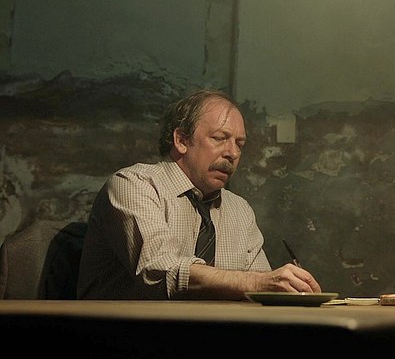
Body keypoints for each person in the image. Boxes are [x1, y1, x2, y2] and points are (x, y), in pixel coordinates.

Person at [77, 89, 321, 299]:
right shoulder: (135, 185)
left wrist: (289, 290)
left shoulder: (239, 210)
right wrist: (258, 283)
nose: (233, 153)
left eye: (240, 144)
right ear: (181, 140)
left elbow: (262, 289)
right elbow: (159, 271)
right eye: (220, 138)